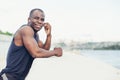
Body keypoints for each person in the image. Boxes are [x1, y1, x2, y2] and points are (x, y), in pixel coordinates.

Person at [0, 8, 62, 80]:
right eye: (36, 18)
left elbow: (44, 50)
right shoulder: (26, 30)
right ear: (29, 19)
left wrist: (48, 35)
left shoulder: (35, 35)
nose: (39, 21)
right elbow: (36, 53)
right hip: (7, 77)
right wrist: (55, 52)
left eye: (42, 19)